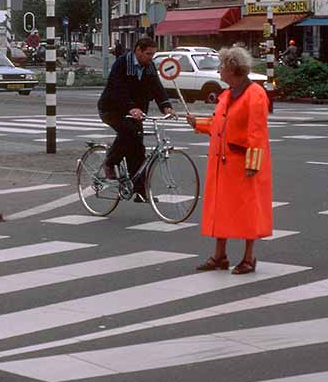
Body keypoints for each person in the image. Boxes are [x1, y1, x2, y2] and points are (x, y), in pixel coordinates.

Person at [186, 47, 272, 275]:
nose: (218, 70)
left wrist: (253, 164)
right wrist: (197, 123)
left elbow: (257, 132)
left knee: (248, 210)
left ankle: (248, 258)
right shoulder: (227, 95)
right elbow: (218, 125)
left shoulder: (255, 95)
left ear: (233, 69)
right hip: (222, 164)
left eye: (221, 66)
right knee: (220, 209)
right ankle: (220, 255)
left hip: (242, 164)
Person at [97, 37, 174, 201]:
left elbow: (156, 86)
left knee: (138, 149)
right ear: (137, 50)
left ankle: (140, 191)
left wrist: (165, 105)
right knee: (128, 132)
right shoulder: (122, 63)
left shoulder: (149, 66)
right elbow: (117, 88)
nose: (150, 58)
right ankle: (110, 162)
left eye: (153, 54)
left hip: (136, 112)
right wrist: (130, 107)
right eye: (148, 54)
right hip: (112, 109)